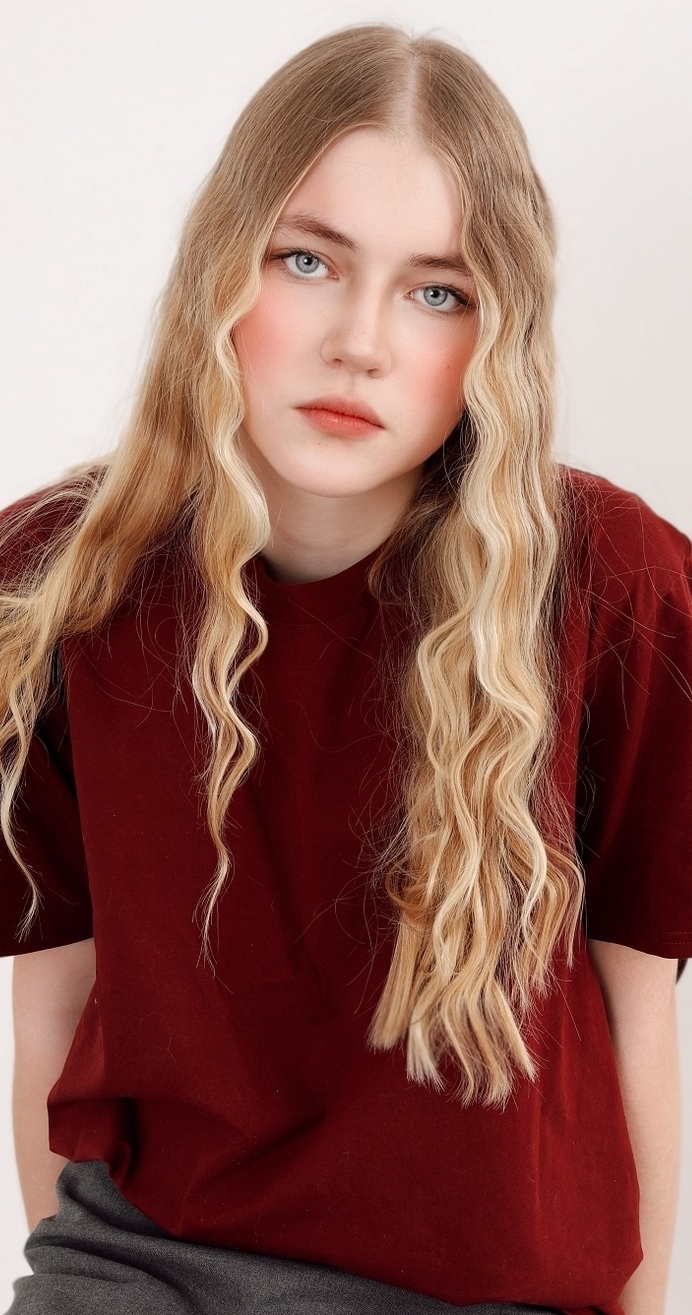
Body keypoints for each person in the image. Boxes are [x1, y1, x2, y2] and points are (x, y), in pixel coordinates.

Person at [0, 21, 690, 1315]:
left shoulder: (617, 585)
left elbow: (639, 1007)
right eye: (308, 261)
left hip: (483, 1289)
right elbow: (52, 995)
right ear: (222, 268)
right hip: (142, 1264)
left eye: (438, 291)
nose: (360, 342)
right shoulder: (56, 578)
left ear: (497, 334)